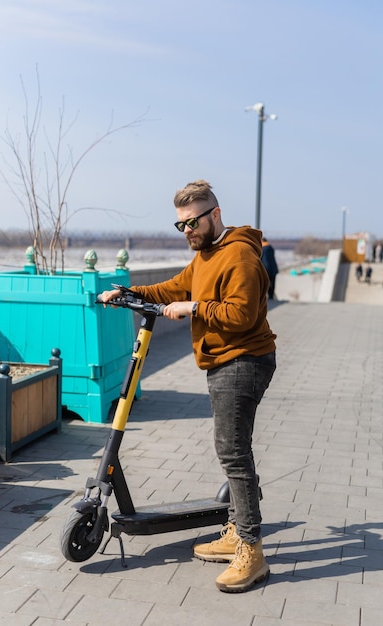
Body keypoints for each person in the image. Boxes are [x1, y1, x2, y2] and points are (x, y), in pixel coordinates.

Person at [99, 180, 276, 593]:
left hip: (244, 360)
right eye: (181, 226)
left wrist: (195, 307)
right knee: (231, 450)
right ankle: (236, 531)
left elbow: (243, 315)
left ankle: (251, 549)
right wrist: (129, 292)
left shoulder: (241, 256)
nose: (187, 232)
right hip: (223, 361)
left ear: (214, 214)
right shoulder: (206, 255)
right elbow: (175, 287)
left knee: (233, 453)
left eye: (192, 223)